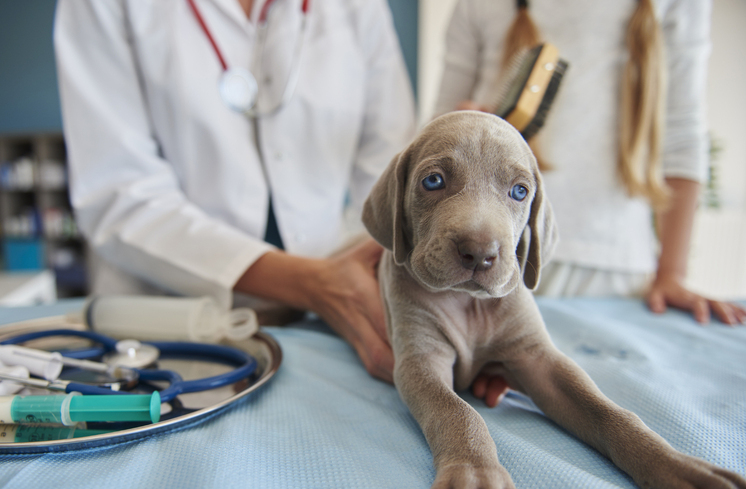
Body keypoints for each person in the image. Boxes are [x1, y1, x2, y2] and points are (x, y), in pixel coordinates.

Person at [54, 0, 416, 382]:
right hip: (170, 324)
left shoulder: (361, 8)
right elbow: (118, 191)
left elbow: (390, 177)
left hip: (331, 320)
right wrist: (315, 283)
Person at [434, 0, 745, 406]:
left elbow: (682, 138)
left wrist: (672, 273)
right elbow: (434, 129)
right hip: (495, 259)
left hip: (618, 276)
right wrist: (460, 123)